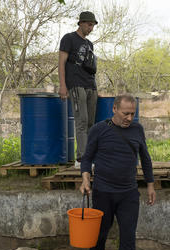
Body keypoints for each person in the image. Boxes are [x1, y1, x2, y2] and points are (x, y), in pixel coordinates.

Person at [79, 94, 155, 250]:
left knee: (128, 237)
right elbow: (87, 157)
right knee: (100, 232)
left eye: (133, 113)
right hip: (103, 192)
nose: (129, 118)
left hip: (128, 193)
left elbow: (145, 158)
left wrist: (150, 185)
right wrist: (86, 179)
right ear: (114, 109)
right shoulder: (99, 130)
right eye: (125, 113)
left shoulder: (137, 130)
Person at [59, 11, 99, 164]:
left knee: (90, 123)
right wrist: (63, 86)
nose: (91, 28)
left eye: (93, 25)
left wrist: (96, 89)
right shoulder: (69, 38)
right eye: (89, 25)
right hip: (75, 84)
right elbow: (61, 63)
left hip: (90, 85)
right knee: (81, 121)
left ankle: (89, 155)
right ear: (81, 23)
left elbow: (90, 67)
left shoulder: (90, 44)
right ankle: (82, 159)